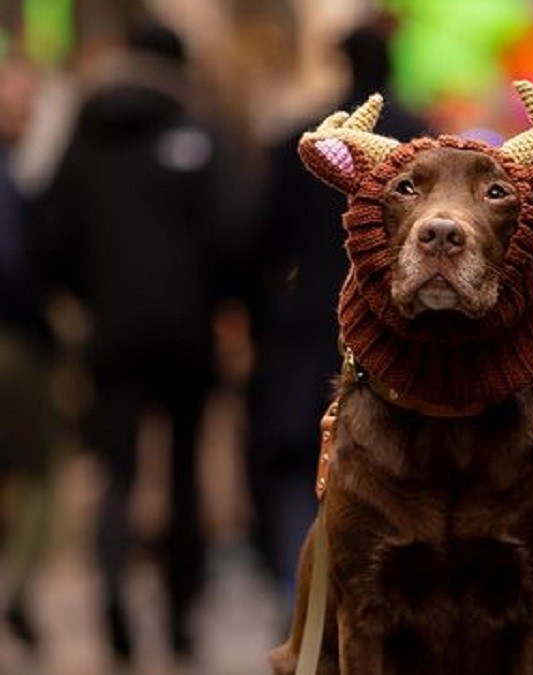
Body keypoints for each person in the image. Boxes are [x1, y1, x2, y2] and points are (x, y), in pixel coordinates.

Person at [29, 21, 249, 664]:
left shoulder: (85, 134)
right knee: (182, 474)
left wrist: (89, 299)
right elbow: (234, 237)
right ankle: (181, 616)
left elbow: (49, 236)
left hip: (112, 335)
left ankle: (113, 607)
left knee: (116, 473)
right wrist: (224, 304)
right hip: (186, 337)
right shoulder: (201, 134)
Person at [245, 13, 431, 595]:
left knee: (305, 462)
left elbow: (260, 246)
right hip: (404, 334)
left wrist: (265, 323)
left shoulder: (303, 145)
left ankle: (299, 593)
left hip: (309, 330)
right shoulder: (424, 143)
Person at [0, 53, 55, 651]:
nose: (28, 115)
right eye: (18, 104)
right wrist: (44, 329)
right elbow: (10, 261)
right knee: (43, 469)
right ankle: (17, 585)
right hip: (11, 339)